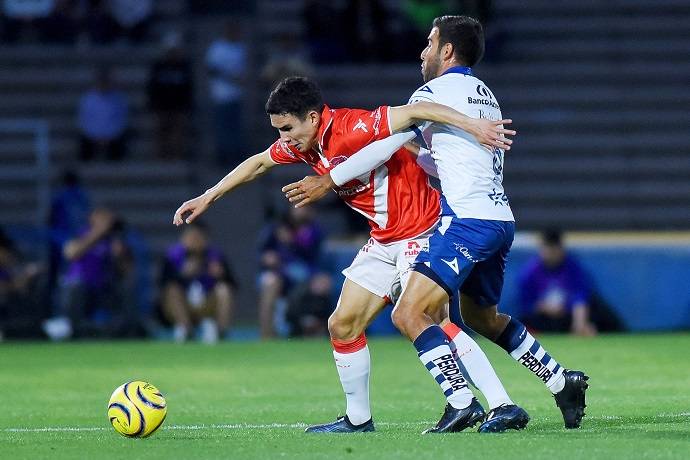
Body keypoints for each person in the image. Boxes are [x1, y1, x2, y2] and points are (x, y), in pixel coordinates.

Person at [286, 16, 589, 432]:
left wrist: (328, 181)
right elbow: (447, 157)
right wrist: (424, 156)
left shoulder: (433, 92)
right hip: (499, 217)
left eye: (430, 43)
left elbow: (383, 146)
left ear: (447, 51)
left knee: (410, 312)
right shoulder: (483, 93)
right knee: (482, 318)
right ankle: (561, 380)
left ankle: (466, 403)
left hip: (465, 220)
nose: (422, 51)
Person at [173, 76, 524, 433]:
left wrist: (473, 125)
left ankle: (492, 403)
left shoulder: (353, 126)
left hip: (423, 230)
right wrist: (207, 197)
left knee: (434, 320)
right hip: (385, 239)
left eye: (287, 128)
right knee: (342, 325)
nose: (283, 139)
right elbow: (258, 163)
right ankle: (359, 419)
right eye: (278, 130)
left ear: (312, 117)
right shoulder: (302, 146)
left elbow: (417, 110)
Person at [45, 208, 138, 339]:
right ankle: (70, 327)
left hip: (103, 288)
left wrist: (120, 256)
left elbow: (127, 272)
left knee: (125, 290)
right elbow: (71, 253)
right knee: (74, 288)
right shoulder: (82, 234)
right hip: (78, 285)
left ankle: (124, 329)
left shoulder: (114, 240)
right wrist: (98, 233)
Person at [519, 229, 623, 335]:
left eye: (555, 250)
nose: (551, 254)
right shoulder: (530, 272)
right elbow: (527, 303)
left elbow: (581, 296)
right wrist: (546, 308)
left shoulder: (572, 267)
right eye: (548, 250)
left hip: (568, 315)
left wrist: (580, 323)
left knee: (598, 308)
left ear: (560, 249)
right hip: (544, 318)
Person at [160, 221, 236, 343]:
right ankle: (187, 330)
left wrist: (221, 275)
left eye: (198, 237)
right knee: (172, 290)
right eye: (190, 237)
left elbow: (233, 284)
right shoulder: (173, 257)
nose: (194, 241)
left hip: (207, 303)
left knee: (224, 289)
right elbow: (163, 284)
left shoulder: (216, 257)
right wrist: (182, 275)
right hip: (183, 304)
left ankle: (221, 332)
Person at [257, 206, 323, 339]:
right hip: (276, 271)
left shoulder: (312, 229)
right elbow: (262, 252)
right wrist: (268, 257)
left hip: (302, 272)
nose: (300, 210)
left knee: (315, 284)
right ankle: (266, 335)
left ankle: (301, 329)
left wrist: (293, 240)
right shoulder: (277, 226)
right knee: (269, 283)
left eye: (304, 207)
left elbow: (314, 256)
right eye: (297, 206)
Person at [206, 21, 247, 167]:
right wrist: (231, 77)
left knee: (235, 126)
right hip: (221, 95)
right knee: (222, 127)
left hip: (236, 94)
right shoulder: (218, 47)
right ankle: (222, 155)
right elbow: (211, 69)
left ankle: (234, 154)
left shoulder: (240, 47)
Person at [147, 33, 194, 160]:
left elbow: (188, 88)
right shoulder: (158, 67)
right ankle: (161, 156)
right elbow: (152, 87)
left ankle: (176, 156)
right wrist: (153, 105)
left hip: (178, 106)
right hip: (161, 106)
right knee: (161, 132)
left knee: (178, 133)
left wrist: (187, 106)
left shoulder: (184, 67)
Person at [77, 67, 129, 161]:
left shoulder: (119, 99)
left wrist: (109, 136)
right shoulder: (87, 99)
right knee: (84, 144)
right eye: (101, 81)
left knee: (120, 143)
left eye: (106, 81)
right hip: (92, 136)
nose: (103, 84)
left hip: (113, 136)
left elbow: (122, 121)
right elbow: (83, 121)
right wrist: (96, 136)